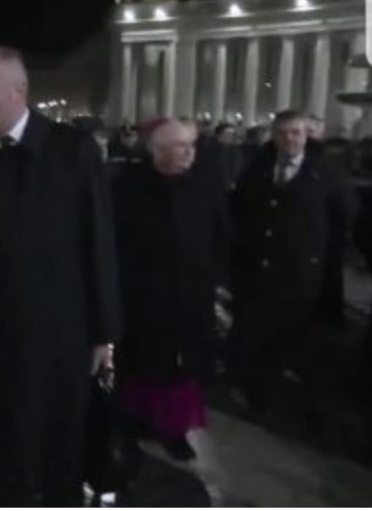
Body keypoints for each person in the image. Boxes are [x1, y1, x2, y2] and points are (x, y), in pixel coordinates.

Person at [0, 46, 120, 506]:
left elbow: (98, 243)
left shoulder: (73, 150)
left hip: (61, 339)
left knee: (59, 454)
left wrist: (104, 335)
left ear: (18, 93)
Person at [112, 119, 230, 462]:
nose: (189, 152)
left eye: (191, 144)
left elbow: (221, 234)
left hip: (190, 295)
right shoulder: (127, 186)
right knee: (139, 365)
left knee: (182, 370)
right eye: (179, 145)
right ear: (156, 150)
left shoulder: (206, 184)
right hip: (142, 296)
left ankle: (174, 430)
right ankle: (132, 425)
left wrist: (215, 280)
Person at [230, 110, 356, 414]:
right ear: (274, 136)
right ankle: (252, 389)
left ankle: (277, 392)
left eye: (296, 133)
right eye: (283, 133)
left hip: (300, 274)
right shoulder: (258, 169)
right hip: (258, 270)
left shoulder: (325, 173)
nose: (290, 139)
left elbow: (346, 213)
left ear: (306, 136)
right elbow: (240, 211)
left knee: (289, 335)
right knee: (254, 333)